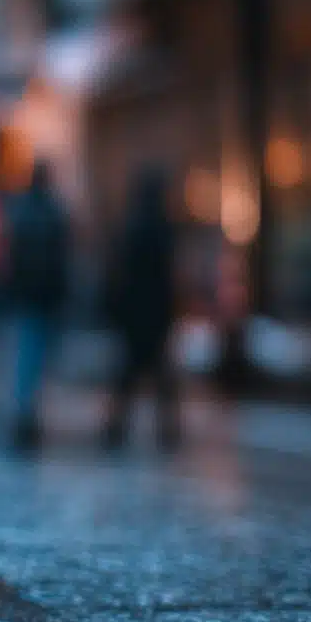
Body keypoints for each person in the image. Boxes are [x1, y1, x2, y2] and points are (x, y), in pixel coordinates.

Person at [102, 166, 180, 449]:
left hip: (134, 312)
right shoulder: (162, 228)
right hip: (154, 311)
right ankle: (165, 430)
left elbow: (117, 273)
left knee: (130, 373)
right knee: (156, 373)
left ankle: (116, 427)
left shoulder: (130, 226)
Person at [0, 161, 72, 450]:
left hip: (25, 298)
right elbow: (63, 260)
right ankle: (28, 412)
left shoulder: (20, 214)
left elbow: (10, 259)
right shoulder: (54, 213)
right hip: (45, 299)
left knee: (25, 356)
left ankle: (23, 411)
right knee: (36, 357)